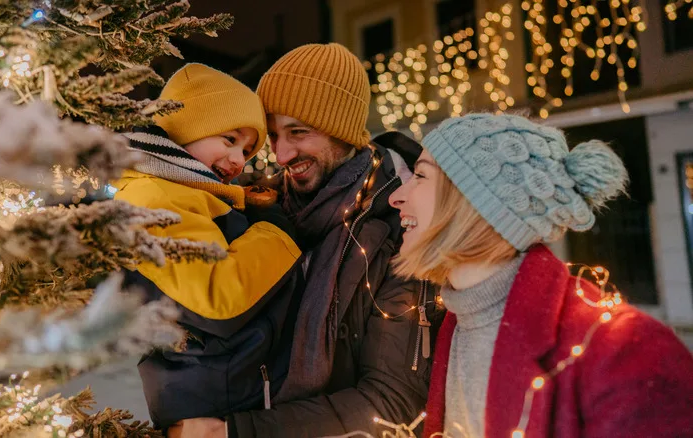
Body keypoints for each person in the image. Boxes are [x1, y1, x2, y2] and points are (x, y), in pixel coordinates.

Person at [174, 43, 443, 438]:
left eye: (298, 132)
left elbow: (392, 403)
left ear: (342, 130)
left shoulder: (401, 229)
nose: (281, 155)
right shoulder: (260, 208)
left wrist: (235, 432)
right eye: (273, 135)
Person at [388, 113, 693, 437]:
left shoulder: (626, 352)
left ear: (476, 201)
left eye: (421, 175)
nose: (396, 197)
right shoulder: (456, 326)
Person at [112, 63, 305, 431]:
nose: (239, 160)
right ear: (186, 128)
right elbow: (217, 297)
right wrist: (276, 231)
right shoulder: (154, 197)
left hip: (222, 388)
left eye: (246, 151)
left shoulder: (187, 193)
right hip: (213, 401)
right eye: (229, 140)